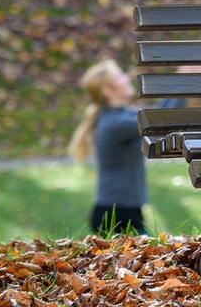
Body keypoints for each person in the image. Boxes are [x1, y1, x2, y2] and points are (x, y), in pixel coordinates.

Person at [68, 59, 168, 236]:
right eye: (120, 75)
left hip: (126, 211)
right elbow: (163, 120)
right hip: (115, 216)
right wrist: (186, 83)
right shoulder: (115, 124)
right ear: (107, 90)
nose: (127, 77)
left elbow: (160, 115)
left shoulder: (120, 115)